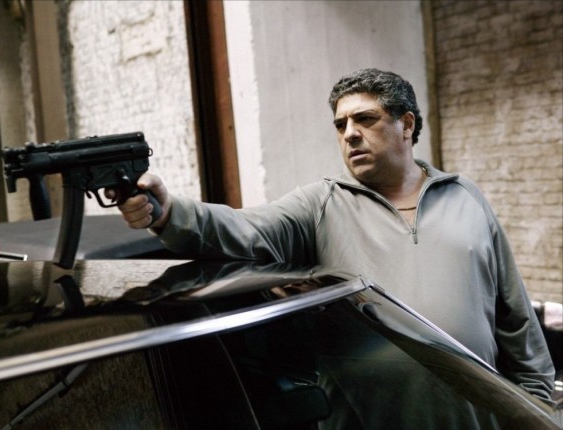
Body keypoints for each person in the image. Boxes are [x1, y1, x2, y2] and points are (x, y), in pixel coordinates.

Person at [113, 69, 555, 413]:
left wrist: (537, 406)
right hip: (368, 417)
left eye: (365, 119)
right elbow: (241, 229)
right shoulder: (320, 205)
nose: (349, 133)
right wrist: (169, 212)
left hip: (476, 412)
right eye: (341, 124)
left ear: (406, 125)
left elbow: (514, 315)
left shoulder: (465, 197)